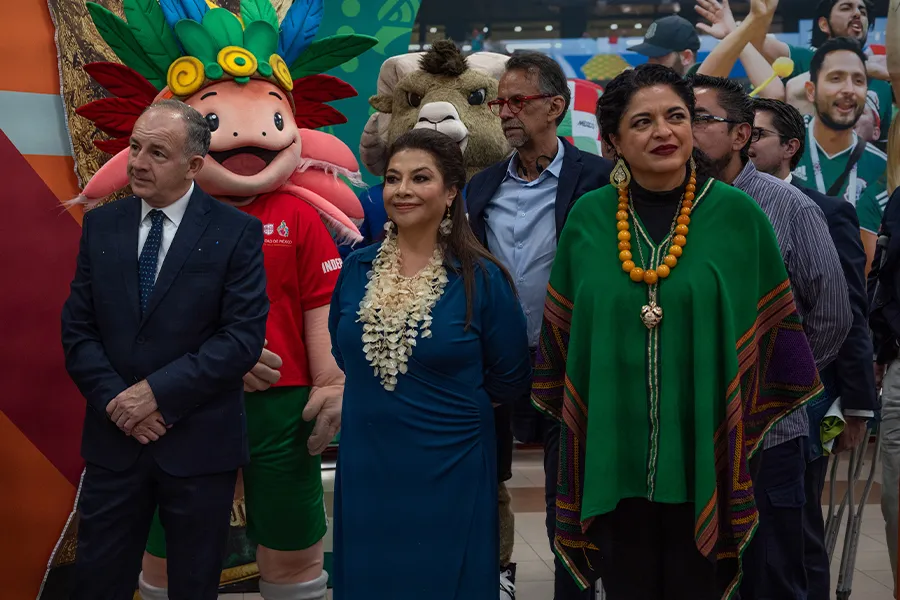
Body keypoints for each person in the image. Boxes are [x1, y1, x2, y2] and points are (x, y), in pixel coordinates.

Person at [532, 63, 823, 599]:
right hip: (611, 452)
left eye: (676, 116)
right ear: (613, 141)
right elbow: (566, 343)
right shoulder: (588, 220)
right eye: (642, 122)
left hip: (707, 451)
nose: (663, 132)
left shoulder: (739, 217)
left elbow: (778, 338)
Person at [60, 99, 268, 600]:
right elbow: (78, 330)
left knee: (194, 586)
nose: (137, 162)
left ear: (194, 165)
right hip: (114, 443)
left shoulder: (235, 232)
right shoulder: (102, 226)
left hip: (199, 445)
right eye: (135, 147)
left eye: (157, 153)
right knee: (96, 582)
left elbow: (240, 338)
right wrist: (120, 403)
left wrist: (154, 395)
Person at [328, 128, 532, 600]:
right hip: (367, 458)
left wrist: (442, 402)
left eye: (420, 178)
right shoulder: (357, 268)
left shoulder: (482, 277)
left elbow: (510, 376)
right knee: (372, 577)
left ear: (451, 191)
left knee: (443, 578)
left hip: (450, 460)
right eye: (393, 178)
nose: (403, 190)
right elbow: (345, 351)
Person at [690, 74, 852, 599]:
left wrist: (776, 379)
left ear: (740, 136)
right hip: (692, 432)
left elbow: (832, 314)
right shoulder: (675, 206)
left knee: (772, 572)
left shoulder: (788, 206)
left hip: (769, 431)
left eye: (699, 119)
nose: (683, 131)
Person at [465, 50, 612, 600]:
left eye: (517, 101)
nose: (505, 112)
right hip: (496, 364)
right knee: (481, 484)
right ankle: (484, 581)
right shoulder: (482, 187)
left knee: (566, 499)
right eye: (498, 103)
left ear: (555, 106)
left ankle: (577, 589)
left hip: (571, 363)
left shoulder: (599, 179)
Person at [750, 97, 877, 599]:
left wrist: (857, 404)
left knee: (797, 524)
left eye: (757, 134)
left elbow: (847, 313)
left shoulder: (825, 210)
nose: (746, 141)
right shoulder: (708, 205)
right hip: (735, 401)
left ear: (789, 147)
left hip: (803, 394)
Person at [789, 38, 889, 271]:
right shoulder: (782, 151)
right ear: (811, 91)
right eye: (836, 78)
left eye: (858, 81)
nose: (849, 90)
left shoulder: (882, 168)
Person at [631, 15, 701, 77]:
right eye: (650, 57)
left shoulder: (704, 86)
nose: (650, 65)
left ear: (686, 57)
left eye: (658, 57)